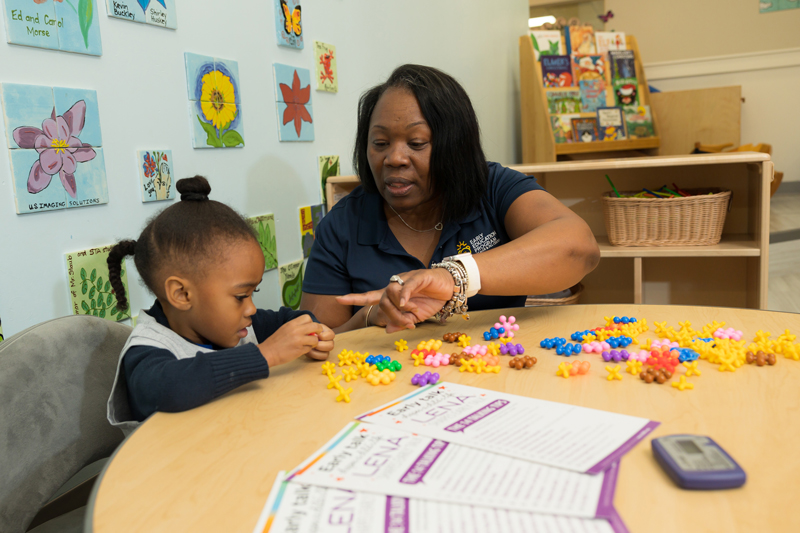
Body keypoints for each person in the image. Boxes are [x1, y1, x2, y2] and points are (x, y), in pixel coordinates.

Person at [301, 64, 600, 333]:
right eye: (380, 143)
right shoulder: (342, 225)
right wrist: (370, 316)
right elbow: (318, 341)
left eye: (416, 143)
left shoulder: (493, 188)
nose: (394, 158)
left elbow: (579, 248)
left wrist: (455, 276)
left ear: (455, 145)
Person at [106, 176, 335, 433]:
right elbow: (172, 389)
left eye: (254, 292)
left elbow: (292, 321)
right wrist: (267, 354)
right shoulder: (146, 351)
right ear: (182, 294)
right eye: (240, 296)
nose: (251, 309)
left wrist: (313, 332)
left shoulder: (240, 324)